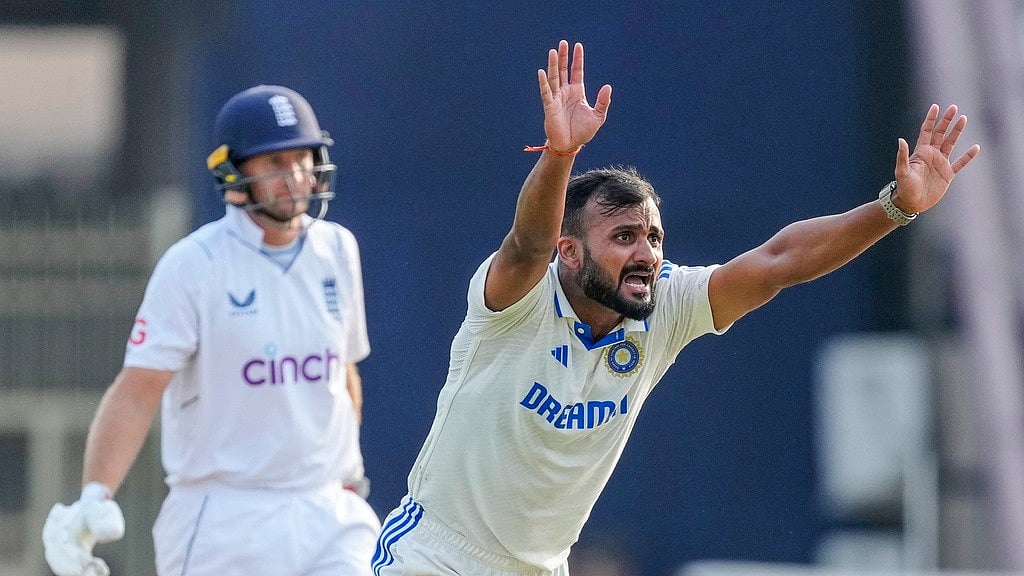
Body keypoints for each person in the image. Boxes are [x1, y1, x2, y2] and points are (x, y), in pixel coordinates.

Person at [371, 40, 980, 576]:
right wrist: (559, 155)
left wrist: (894, 208)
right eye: (623, 237)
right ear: (570, 252)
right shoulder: (518, 298)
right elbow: (527, 243)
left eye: (655, 238)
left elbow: (778, 262)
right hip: (435, 556)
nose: (646, 255)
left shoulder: (663, 306)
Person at [42, 85, 381, 576]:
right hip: (225, 517)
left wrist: (349, 473)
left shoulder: (338, 250)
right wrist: (95, 494)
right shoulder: (193, 265)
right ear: (234, 172)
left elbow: (342, 372)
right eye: (274, 162)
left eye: (303, 157)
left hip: (330, 512)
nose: (296, 176)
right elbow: (137, 392)